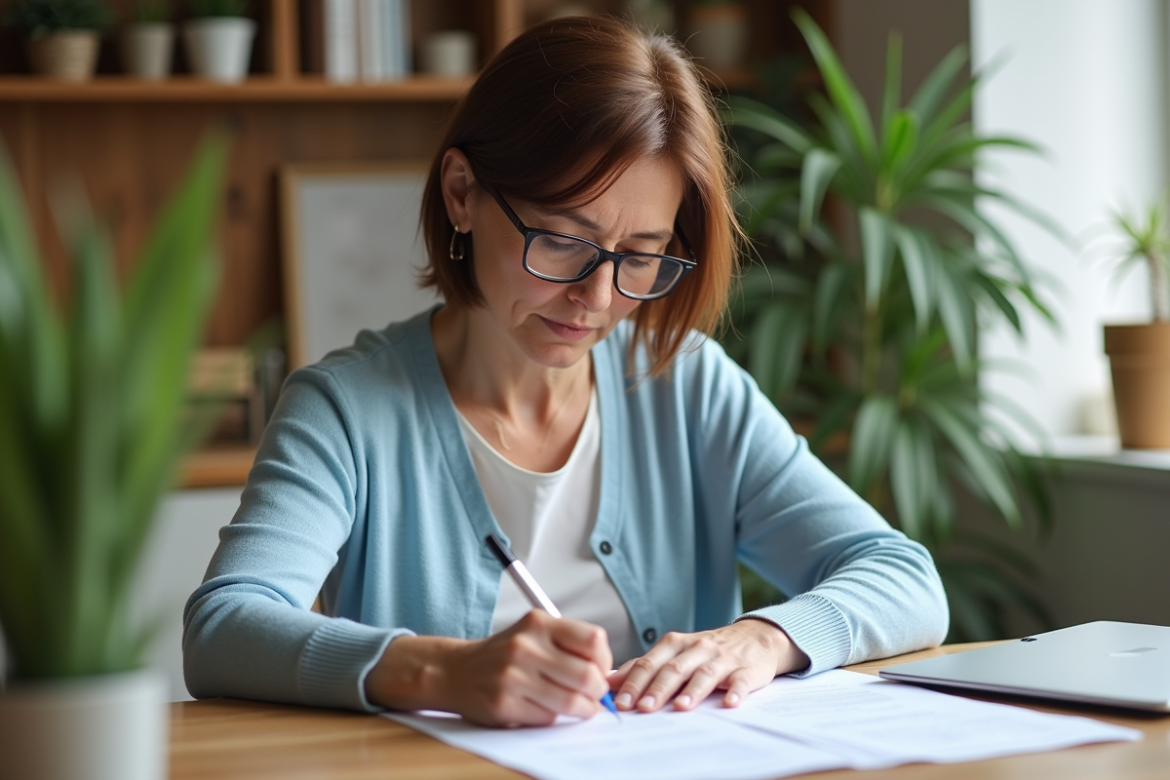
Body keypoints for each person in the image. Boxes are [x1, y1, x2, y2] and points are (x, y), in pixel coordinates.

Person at [183, 16, 948, 728]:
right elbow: (224, 626)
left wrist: (761, 638)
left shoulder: (685, 386)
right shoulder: (347, 411)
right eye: (561, 240)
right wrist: (441, 672)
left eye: (641, 256)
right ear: (462, 194)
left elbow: (903, 577)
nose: (598, 296)